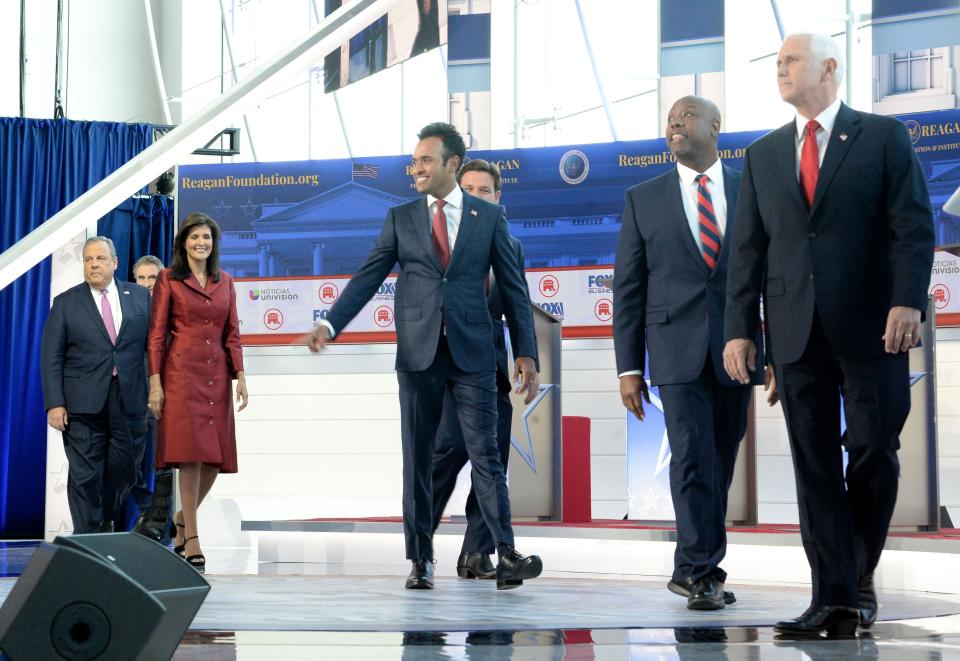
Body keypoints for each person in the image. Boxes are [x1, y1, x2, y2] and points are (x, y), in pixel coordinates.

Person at [722, 34, 935, 636]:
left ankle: (856, 571)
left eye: (790, 60)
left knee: (873, 447)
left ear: (829, 68)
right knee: (812, 465)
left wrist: (906, 301)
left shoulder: (883, 138)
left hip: (874, 326)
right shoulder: (762, 156)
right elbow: (747, 253)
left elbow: (913, 229)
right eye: (777, 63)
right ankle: (833, 596)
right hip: (794, 332)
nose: (780, 70)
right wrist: (740, 331)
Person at [304, 122, 543, 591]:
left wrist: (526, 352)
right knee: (418, 460)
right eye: (414, 160)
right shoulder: (402, 217)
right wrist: (331, 323)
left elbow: (515, 292)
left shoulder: (487, 218)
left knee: (488, 457)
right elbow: (369, 276)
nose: (415, 167)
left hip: (473, 353)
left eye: (425, 160)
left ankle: (507, 552)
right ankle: (421, 560)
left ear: (451, 164)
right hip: (418, 354)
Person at [612, 96, 766, 611]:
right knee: (693, 455)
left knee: (719, 461)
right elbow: (628, 288)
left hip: (738, 351)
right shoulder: (643, 198)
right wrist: (629, 367)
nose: (674, 123)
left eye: (686, 116)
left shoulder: (753, 190)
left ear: (716, 128)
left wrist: (778, 356)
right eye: (670, 119)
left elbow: (773, 276)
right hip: (675, 350)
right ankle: (703, 571)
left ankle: (691, 566)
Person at [429, 158, 537, 581]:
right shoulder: (439, 239)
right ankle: (420, 545)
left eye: (484, 191)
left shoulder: (511, 245)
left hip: (492, 369)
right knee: (447, 454)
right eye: (467, 189)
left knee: (491, 462)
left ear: (498, 198)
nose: (476, 197)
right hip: (446, 370)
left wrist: (527, 355)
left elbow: (517, 303)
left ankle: (476, 553)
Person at [148, 213, 249, 573]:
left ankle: (179, 519)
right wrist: (155, 381)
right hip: (180, 376)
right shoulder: (168, 279)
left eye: (206, 237)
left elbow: (232, 332)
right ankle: (192, 538)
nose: (200, 243)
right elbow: (157, 335)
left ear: (213, 243)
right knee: (189, 457)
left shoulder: (226, 282)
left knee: (215, 459)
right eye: (194, 238)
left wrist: (240, 374)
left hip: (217, 377)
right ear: (183, 244)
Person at [40, 236, 151, 534]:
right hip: (82, 403)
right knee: (84, 474)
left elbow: (152, 347)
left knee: (125, 468)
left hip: (129, 399)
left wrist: (156, 387)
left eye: (100, 258)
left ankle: (106, 515)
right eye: (88, 259)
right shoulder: (66, 302)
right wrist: (55, 402)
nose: (94, 264)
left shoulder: (140, 297)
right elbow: (51, 356)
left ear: (114, 263)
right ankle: (88, 539)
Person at [127, 255, 176, 544]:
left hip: (163, 395)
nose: (146, 284)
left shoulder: (172, 311)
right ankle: (148, 509)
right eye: (141, 278)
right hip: (131, 396)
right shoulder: (124, 310)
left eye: (152, 279)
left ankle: (160, 519)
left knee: (163, 461)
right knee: (126, 462)